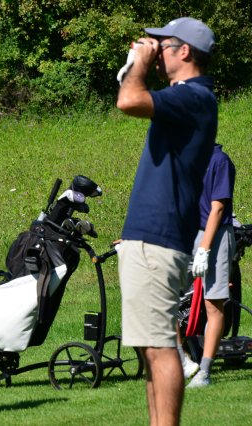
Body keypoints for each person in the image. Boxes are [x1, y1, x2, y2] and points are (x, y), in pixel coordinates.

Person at [115, 17, 217, 426]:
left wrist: (139, 62)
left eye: (163, 46)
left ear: (184, 51)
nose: (156, 53)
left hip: (157, 239)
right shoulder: (185, 98)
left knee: (159, 348)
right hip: (150, 238)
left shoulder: (195, 97)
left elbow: (129, 100)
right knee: (150, 348)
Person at [183, 143, 236, 388]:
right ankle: (182, 360)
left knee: (213, 304)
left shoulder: (220, 161)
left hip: (216, 237)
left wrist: (204, 249)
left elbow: (218, 208)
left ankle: (204, 372)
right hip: (188, 234)